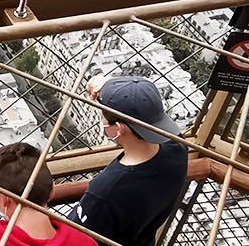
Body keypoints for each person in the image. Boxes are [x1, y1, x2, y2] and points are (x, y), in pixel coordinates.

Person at [75, 76, 189, 246]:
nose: (102, 122)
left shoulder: (106, 191)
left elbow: (75, 238)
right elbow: (144, 106)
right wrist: (112, 87)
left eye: (103, 118)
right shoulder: (177, 149)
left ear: (118, 129)